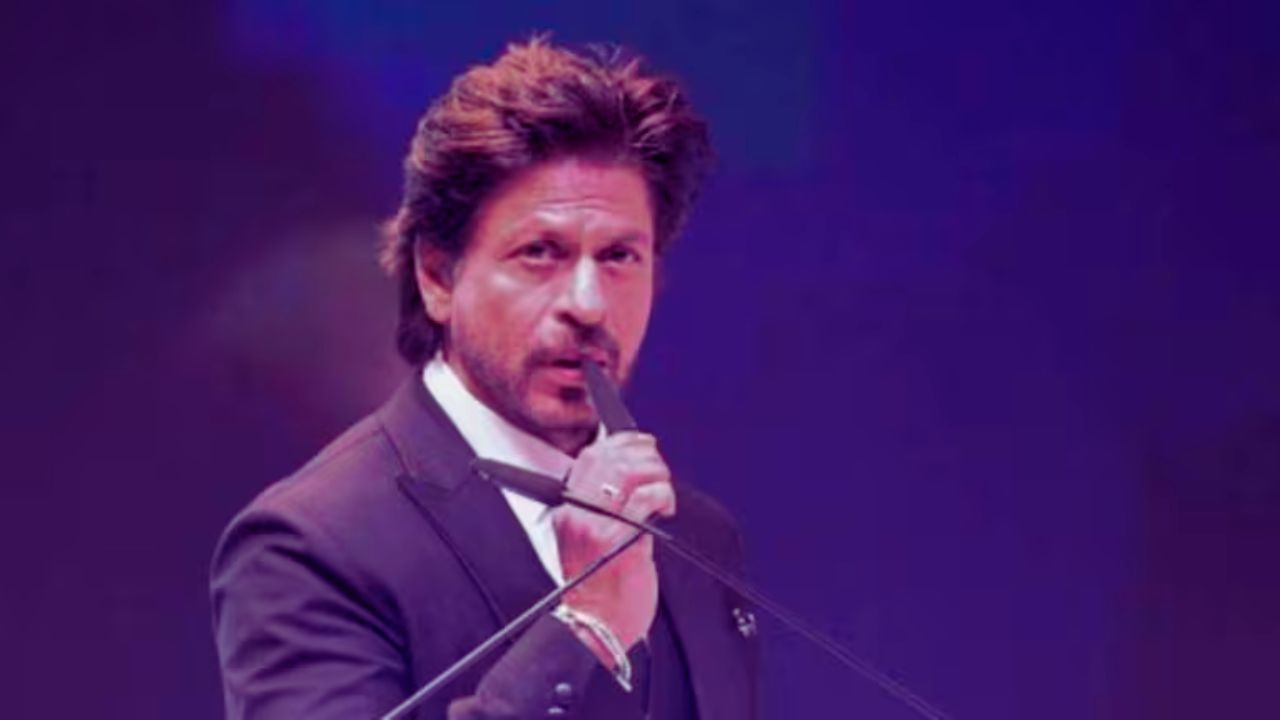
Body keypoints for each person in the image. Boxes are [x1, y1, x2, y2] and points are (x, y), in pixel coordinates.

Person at [211, 37, 757, 720]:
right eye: (541, 252)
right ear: (437, 276)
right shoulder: (311, 545)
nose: (588, 304)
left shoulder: (699, 537)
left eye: (620, 256)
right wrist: (583, 626)